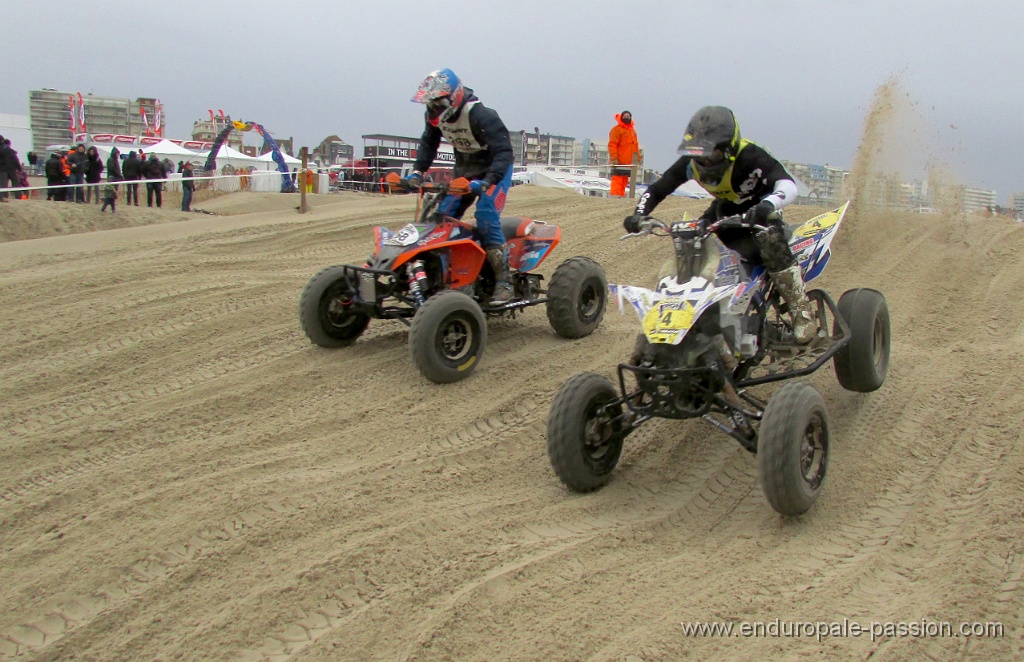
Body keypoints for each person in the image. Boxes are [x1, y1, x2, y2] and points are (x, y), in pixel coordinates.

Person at [623, 105, 814, 344]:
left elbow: (788, 185)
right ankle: (689, 311)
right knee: (692, 238)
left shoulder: (751, 156)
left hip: (761, 213)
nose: (704, 159)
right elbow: (658, 188)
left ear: (729, 148)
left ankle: (801, 311)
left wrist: (769, 205)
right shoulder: (690, 164)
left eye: (711, 153)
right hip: (725, 210)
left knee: (771, 241)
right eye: (698, 153)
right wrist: (639, 215)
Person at [405, 68, 516, 304]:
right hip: (465, 171)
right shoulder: (434, 117)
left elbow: (504, 152)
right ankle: (445, 274)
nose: (433, 109)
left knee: (486, 213)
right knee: (442, 217)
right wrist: (417, 172)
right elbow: (428, 143)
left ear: (453, 97)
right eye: (430, 103)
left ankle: (504, 281)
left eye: (437, 103)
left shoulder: (482, 115)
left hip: (495, 171)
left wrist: (488, 181)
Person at [608, 110, 639, 197]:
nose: (626, 118)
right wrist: (614, 158)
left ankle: (620, 198)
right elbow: (612, 145)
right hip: (618, 162)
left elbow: (635, 146)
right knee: (617, 181)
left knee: (624, 183)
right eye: (624, 116)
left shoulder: (632, 131)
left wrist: (638, 159)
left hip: (629, 163)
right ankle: (614, 198)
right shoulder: (616, 130)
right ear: (621, 117)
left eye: (628, 116)